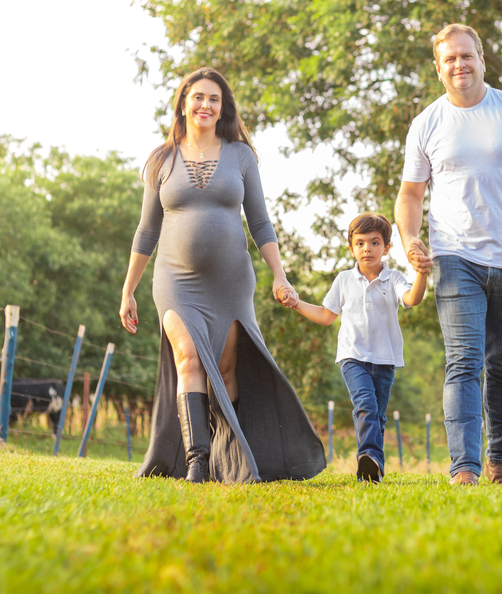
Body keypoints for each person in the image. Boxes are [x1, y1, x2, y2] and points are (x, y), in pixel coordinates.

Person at [120, 67, 326, 484]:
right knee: (189, 357)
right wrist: (129, 291)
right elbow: (146, 230)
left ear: (223, 108)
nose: (205, 105)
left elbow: (261, 223)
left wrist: (280, 276)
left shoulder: (241, 156)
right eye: (198, 97)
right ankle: (197, 461)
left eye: (214, 99)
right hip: (175, 280)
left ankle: (225, 456)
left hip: (231, 283)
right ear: (183, 103)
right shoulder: (161, 159)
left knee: (227, 368)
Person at [395, 24, 502, 486]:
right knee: (464, 360)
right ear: (438, 68)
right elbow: (409, 196)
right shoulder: (427, 123)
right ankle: (464, 468)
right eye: (449, 59)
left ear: (483, 60)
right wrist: (410, 239)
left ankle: (501, 462)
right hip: (454, 257)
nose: (459, 65)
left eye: (466, 56)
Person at [290, 213, 428, 483]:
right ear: (352, 248)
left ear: (386, 248)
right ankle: (369, 456)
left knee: (377, 414)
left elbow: (412, 298)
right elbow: (326, 316)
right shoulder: (343, 280)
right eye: (361, 243)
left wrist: (421, 273)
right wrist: (296, 302)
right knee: (365, 405)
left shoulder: (394, 278)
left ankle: (373, 469)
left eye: (375, 243)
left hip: (385, 360)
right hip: (353, 357)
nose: (367, 248)